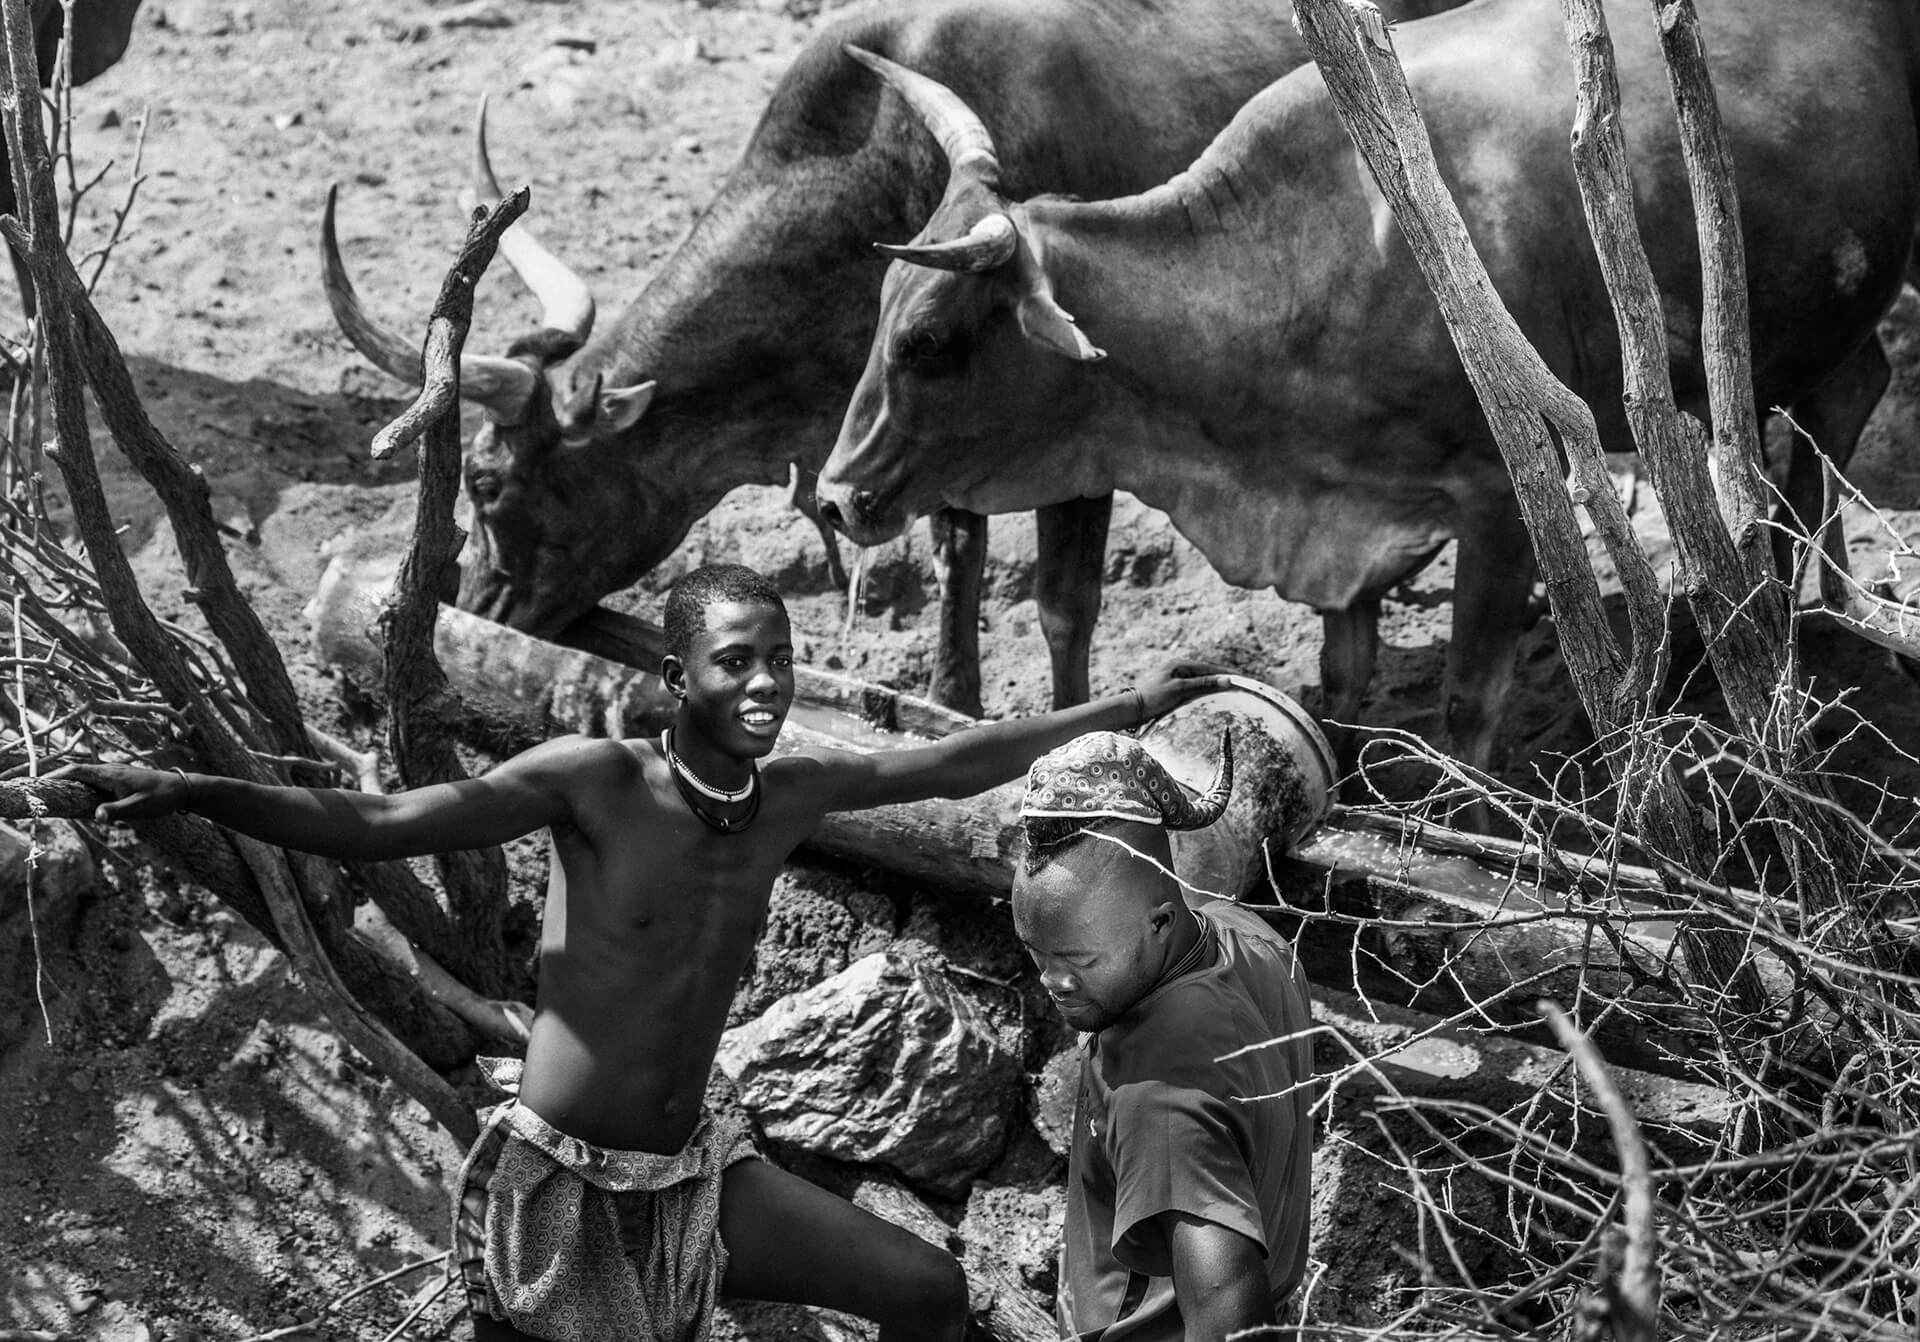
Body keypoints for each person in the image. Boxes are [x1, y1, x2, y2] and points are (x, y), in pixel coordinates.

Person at [59, 562, 1233, 1342]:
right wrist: (190, 790)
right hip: (563, 1182)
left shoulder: (793, 791)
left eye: (777, 656)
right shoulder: (594, 783)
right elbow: (374, 827)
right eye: (735, 662)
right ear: (678, 677)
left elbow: (955, 759)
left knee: (929, 1294)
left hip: (694, 1174)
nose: (765, 682)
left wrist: (1125, 703)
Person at [1011, 729, 1316, 1340]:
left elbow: (1227, 1309)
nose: (1052, 982)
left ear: (1159, 921)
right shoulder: (1248, 937)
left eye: (1080, 960)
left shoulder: (1159, 1094)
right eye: (1035, 953)